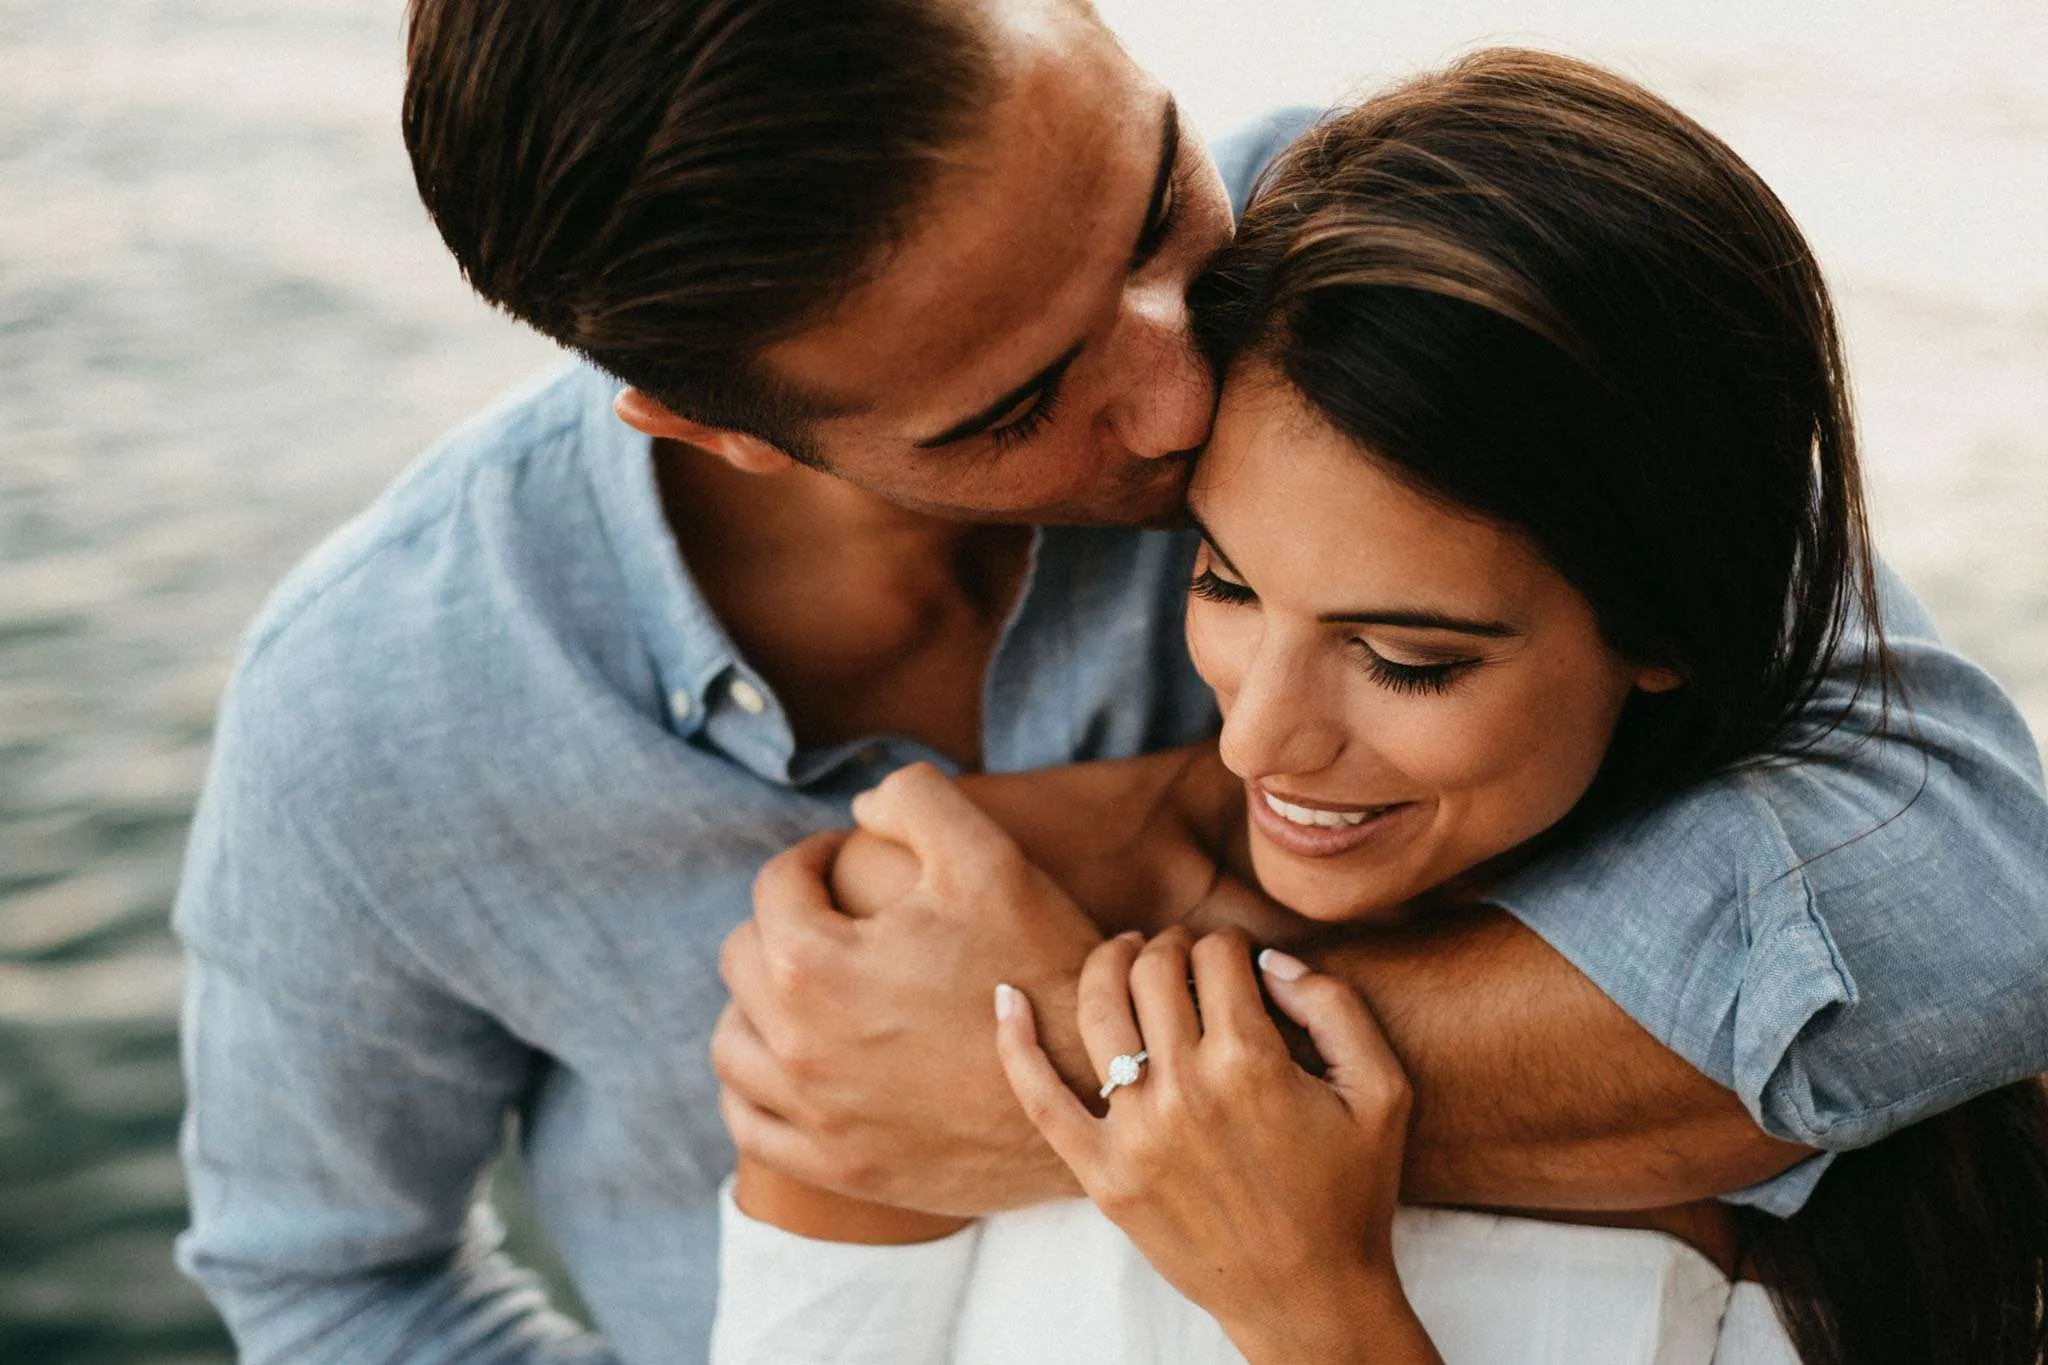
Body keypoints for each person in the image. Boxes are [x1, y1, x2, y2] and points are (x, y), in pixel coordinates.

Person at [169, 1, 2048, 1361]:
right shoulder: (366, 723)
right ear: (719, 429)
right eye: (1015, 402)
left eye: (1151, 205)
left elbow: (1969, 899)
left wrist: (1062, 1092)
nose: (1178, 395)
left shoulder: (1360, 254)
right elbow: (342, 1284)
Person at [709, 51, 2048, 1365]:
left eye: (1409, 658)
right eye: (1227, 583)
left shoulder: (1832, 1038)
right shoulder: (927, 937)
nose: (1255, 741)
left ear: (1668, 628)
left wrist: (1314, 1306)